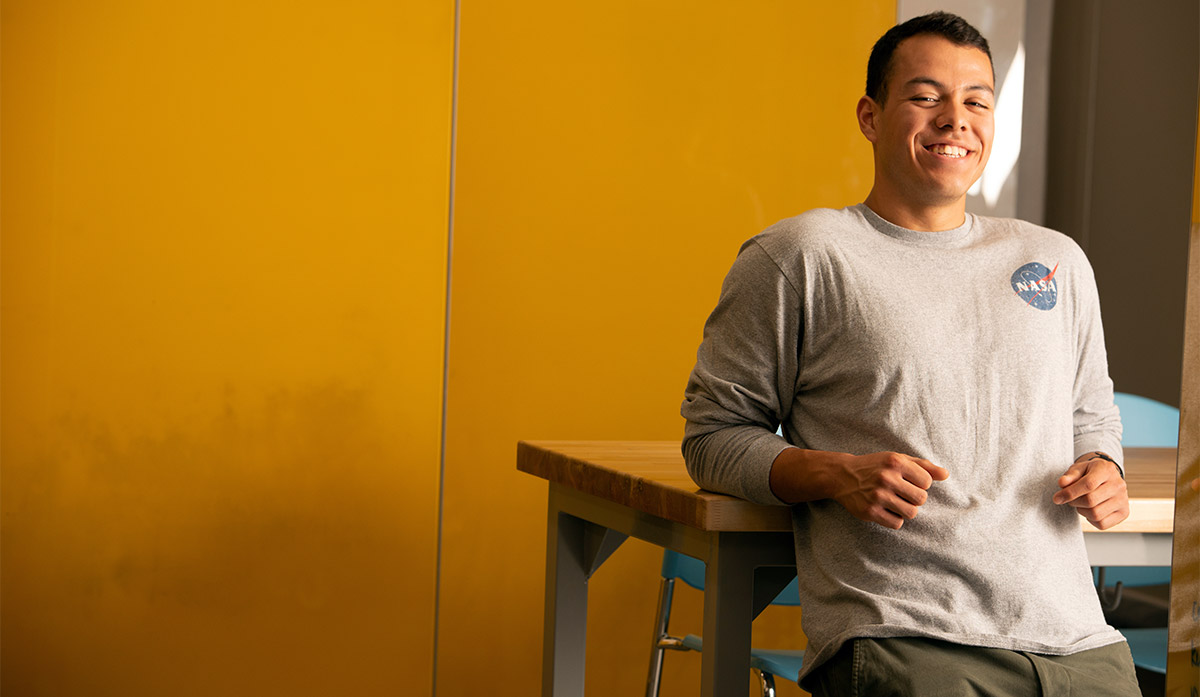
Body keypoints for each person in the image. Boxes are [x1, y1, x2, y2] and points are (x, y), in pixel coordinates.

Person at [681, 11, 1141, 696]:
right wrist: (834, 473)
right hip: (906, 637)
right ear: (870, 116)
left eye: (976, 101)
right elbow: (712, 437)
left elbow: (1091, 413)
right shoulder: (801, 256)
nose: (956, 119)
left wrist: (1103, 463)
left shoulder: (1055, 260)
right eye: (926, 96)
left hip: (1076, 638)